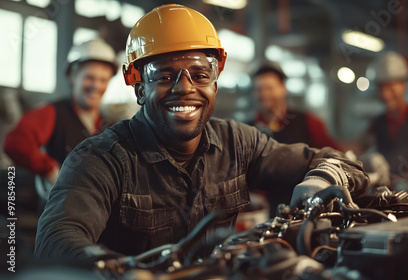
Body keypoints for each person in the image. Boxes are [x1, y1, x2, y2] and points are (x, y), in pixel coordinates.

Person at [34, 4, 368, 261]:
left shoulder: (238, 143)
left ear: (215, 81)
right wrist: (120, 270)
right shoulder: (100, 160)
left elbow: (340, 162)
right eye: (164, 76)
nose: (185, 89)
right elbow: (56, 240)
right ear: (138, 87)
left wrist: (321, 178)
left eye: (200, 73)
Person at [3, 39, 117, 198]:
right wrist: (48, 169)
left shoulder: (109, 126)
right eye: (89, 77)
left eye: (103, 80)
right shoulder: (53, 112)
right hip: (58, 214)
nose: (96, 86)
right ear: (73, 76)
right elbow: (15, 142)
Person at [363, 51, 408, 186]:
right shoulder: (376, 123)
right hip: (384, 196)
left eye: (391, 87)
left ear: (404, 85)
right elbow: (363, 147)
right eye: (381, 88)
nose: (385, 94)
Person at [251, 64, 344, 151]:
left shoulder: (310, 122)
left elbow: (335, 156)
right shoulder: (248, 129)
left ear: (283, 89)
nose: (264, 94)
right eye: (259, 89)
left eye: (269, 88)